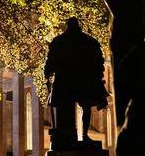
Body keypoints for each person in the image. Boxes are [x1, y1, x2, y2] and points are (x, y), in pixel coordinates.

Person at [45, 17, 108, 147]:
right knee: (85, 107)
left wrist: (48, 72)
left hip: (66, 80)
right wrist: (98, 76)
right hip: (83, 80)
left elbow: (51, 60)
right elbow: (99, 62)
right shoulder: (90, 41)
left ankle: (69, 136)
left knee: (66, 107)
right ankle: (83, 135)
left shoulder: (59, 41)